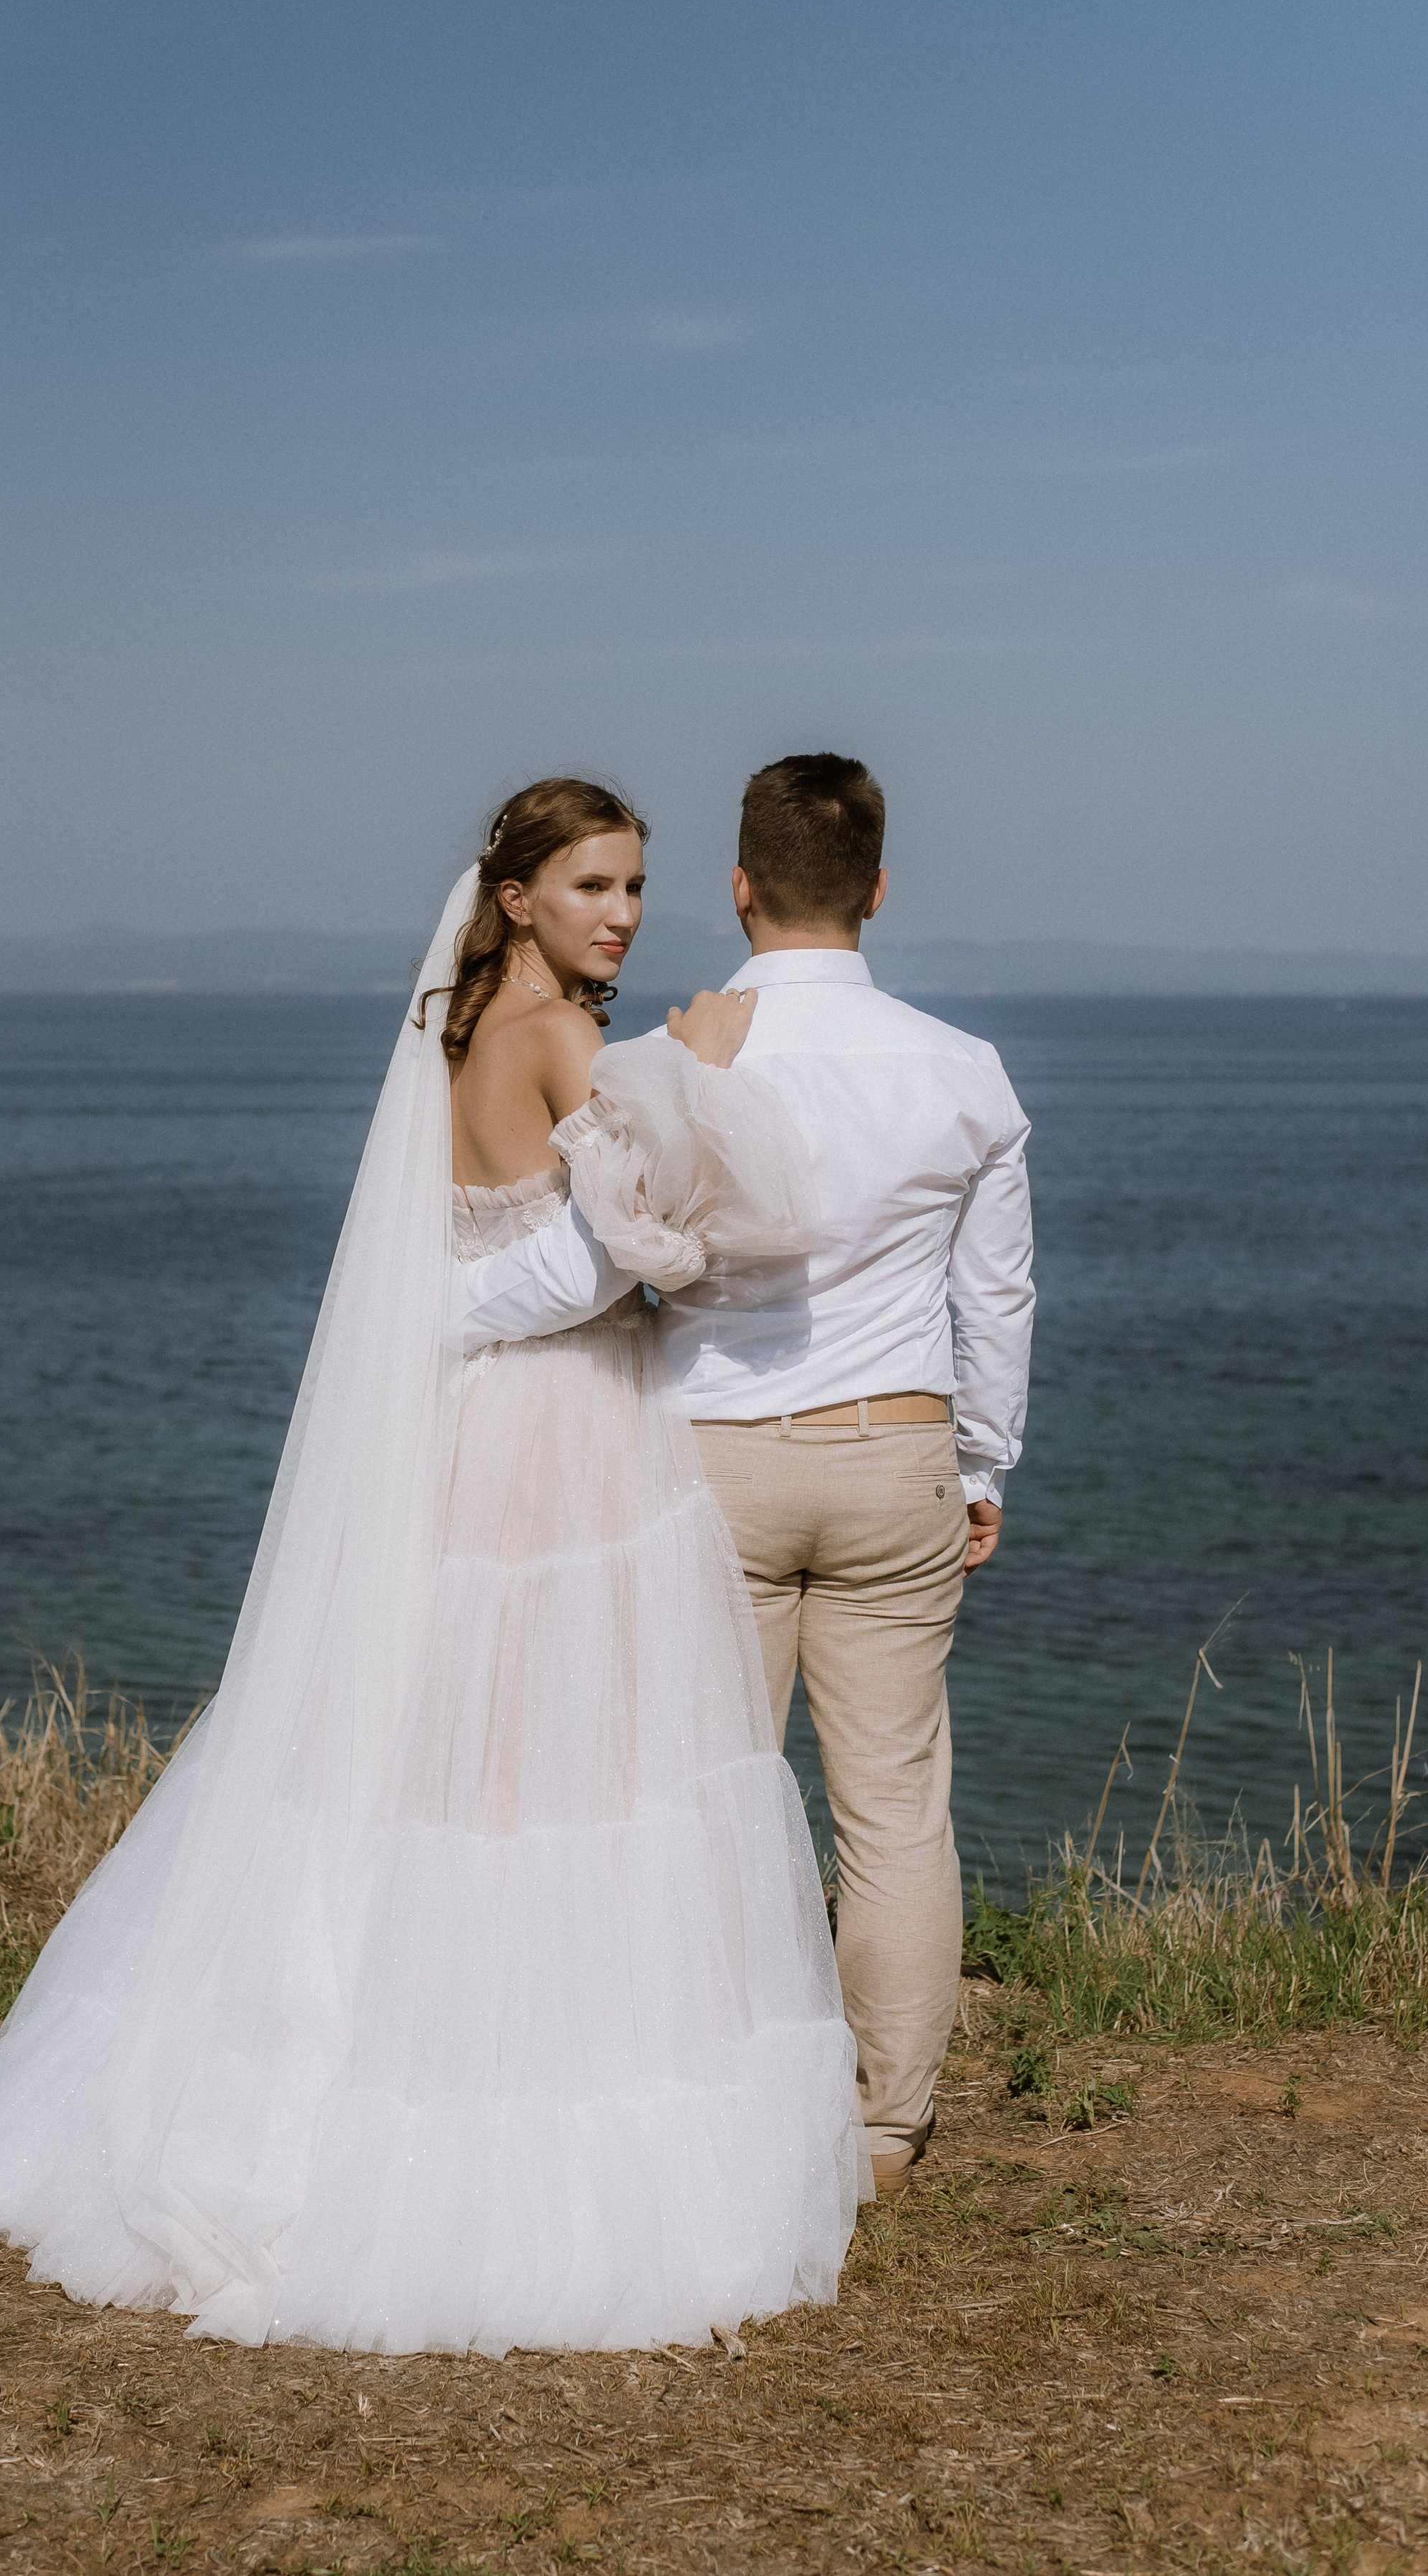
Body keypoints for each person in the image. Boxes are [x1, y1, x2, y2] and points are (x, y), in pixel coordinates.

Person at [0, 777, 863, 2355]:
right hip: (563, 1434)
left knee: (451, 1755)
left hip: (481, 1428)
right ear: (521, 894)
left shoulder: (459, 1022)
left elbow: (468, 1255)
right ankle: (501, 2096)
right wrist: (700, 1078)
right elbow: (592, 1256)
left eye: (634, 883)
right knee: (562, 1764)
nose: (620, 909)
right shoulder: (553, 1034)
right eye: (593, 883)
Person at [457, 754, 1035, 2202]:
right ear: (878, 891)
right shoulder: (962, 1071)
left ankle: (701, 2093)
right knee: (891, 1808)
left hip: (708, 1451)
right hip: (894, 1449)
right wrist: (981, 1463)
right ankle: (884, 2125)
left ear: (735, 884)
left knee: (699, 1790)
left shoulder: (664, 1056)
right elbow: (998, 1298)